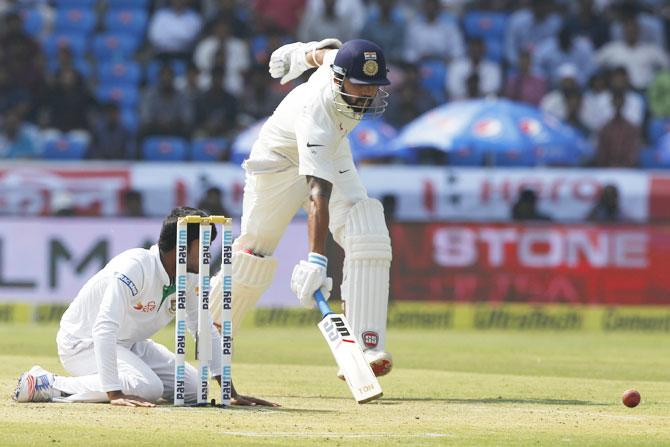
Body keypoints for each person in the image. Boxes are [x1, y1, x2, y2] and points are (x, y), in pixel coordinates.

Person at [208, 38, 394, 378]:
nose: (368, 94)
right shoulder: (316, 111)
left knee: (368, 231)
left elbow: (324, 54)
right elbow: (317, 195)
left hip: (332, 152)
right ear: (339, 79)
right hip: (277, 162)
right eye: (361, 86)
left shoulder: (341, 64)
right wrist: (317, 261)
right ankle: (211, 329)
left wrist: (298, 55)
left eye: (374, 87)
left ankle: (365, 347)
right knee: (254, 255)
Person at [13, 207, 275, 407]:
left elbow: (204, 329)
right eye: (203, 246)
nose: (208, 254)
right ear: (181, 247)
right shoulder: (135, 267)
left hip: (129, 343)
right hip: (83, 342)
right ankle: (47, 383)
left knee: (193, 388)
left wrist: (229, 391)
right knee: (148, 387)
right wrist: (115, 393)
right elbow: (103, 329)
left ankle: (128, 381)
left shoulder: (189, 277)